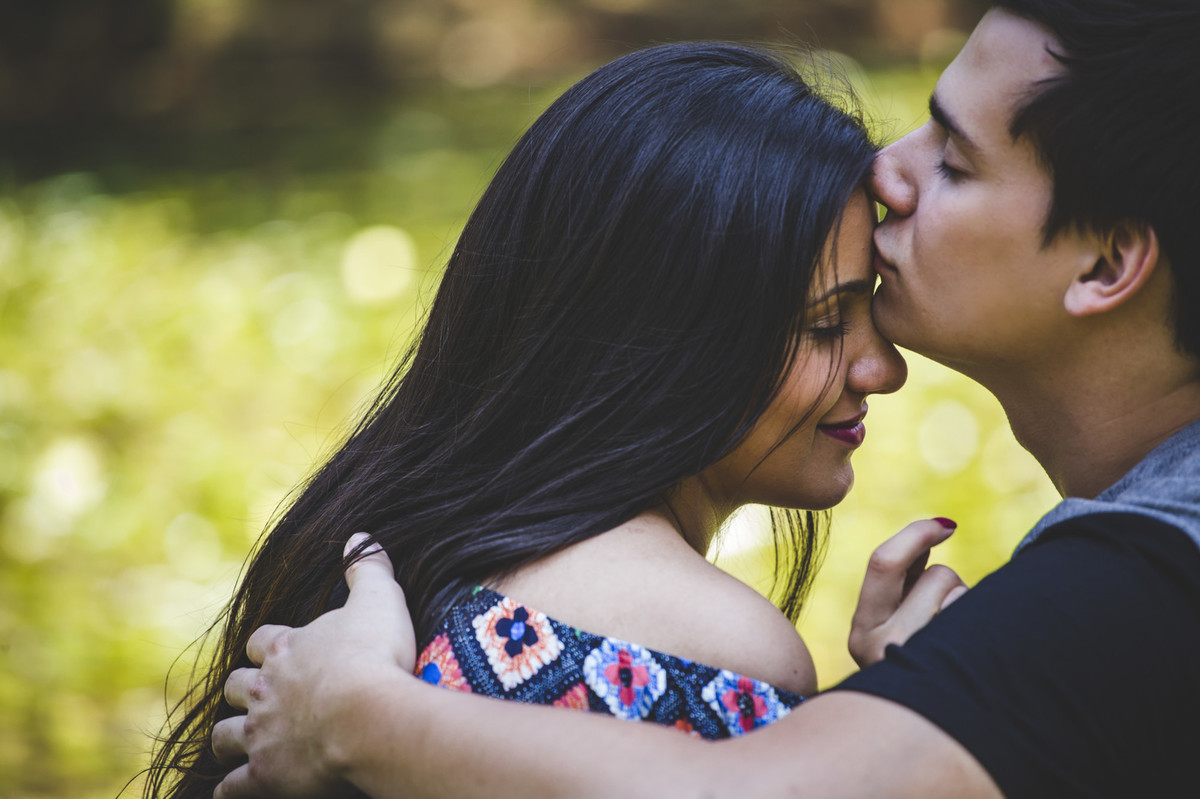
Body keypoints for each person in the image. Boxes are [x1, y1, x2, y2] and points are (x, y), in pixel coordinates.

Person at [209, 1, 1200, 797]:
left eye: (952, 160)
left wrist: (354, 716)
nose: (888, 168)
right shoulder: (691, 634)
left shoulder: (1142, 575)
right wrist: (931, 703)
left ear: (1109, 259)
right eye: (824, 324)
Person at [142, 40, 966, 798]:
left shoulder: (391, 542)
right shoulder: (711, 651)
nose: (883, 369)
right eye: (827, 325)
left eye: (873, 318)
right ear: (666, 341)